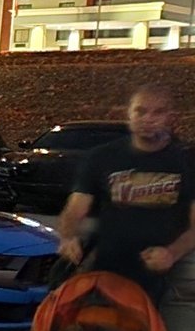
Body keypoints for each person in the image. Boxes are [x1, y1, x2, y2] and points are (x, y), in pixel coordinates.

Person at [57, 83, 195, 312]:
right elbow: (75, 209)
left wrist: (172, 253)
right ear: (129, 114)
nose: (148, 118)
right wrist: (69, 237)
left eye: (158, 112)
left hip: (166, 273)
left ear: (171, 117)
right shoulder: (102, 158)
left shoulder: (187, 161)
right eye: (140, 111)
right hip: (109, 268)